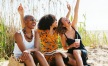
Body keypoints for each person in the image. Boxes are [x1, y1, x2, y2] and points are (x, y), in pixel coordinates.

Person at [57, 0, 89, 66]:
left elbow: (76, 12)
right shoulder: (63, 35)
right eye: (65, 20)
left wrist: (78, 1)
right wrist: (72, 45)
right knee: (60, 55)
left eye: (67, 19)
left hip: (81, 51)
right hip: (71, 53)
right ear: (63, 25)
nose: (68, 20)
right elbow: (64, 47)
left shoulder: (74, 26)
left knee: (75, 51)